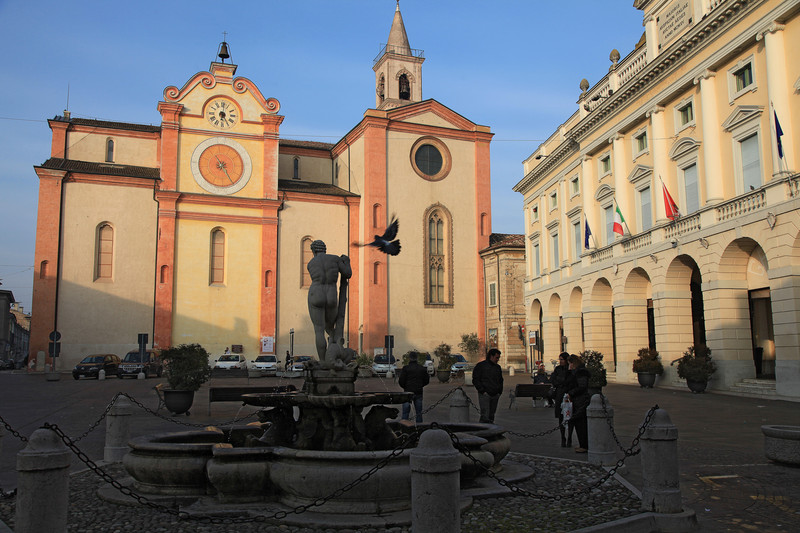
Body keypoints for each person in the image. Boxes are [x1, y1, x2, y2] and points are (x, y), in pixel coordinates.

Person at [306, 240, 352, 362]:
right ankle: (334, 350)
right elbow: (347, 274)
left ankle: (323, 361)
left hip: (316, 293)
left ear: (314, 251)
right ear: (325, 249)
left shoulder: (311, 263)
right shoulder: (335, 259)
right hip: (331, 294)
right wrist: (347, 262)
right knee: (331, 328)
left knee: (319, 330)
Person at [564, 353, 591, 453]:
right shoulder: (576, 372)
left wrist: (571, 393)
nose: (569, 366)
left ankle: (584, 445)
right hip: (577, 400)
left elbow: (582, 386)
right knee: (578, 423)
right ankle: (582, 444)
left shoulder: (581, 372)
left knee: (581, 424)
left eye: (570, 364)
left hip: (581, 400)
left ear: (573, 363)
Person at [472, 348, 503, 423]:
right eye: (496, 358)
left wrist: (499, 391)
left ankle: (490, 430)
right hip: (485, 394)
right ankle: (483, 431)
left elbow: (500, 380)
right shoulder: (481, 366)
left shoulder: (497, 367)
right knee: (485, 415)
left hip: (495, 394)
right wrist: (482, 391)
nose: (497, 360)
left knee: (491, 415)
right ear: (491, 356)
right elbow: (475, 379)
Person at [398, 351, 430, 423]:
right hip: (418, 392)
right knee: (419, 413)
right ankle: (419, 428)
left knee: (405, 413)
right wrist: (421, 385)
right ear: (417, 358)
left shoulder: (406, 368)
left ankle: (404, 427)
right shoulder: (421, 368)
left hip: (407, 392)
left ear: (409, 358)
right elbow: (427, 380)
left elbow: (401, 381)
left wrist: (405, 387)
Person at [550, 352, 571, 447]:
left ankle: (569, 436)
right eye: (560, 359)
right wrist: (560, 381)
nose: (560, 361)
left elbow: (569, 381)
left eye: (562, 359)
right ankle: (563, 437)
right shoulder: (558, 369)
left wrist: (560, 381)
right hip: (559, 395)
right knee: (560, 417)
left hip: (568, 396)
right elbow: (553, 380)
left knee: (570, 416)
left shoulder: (570, 369)